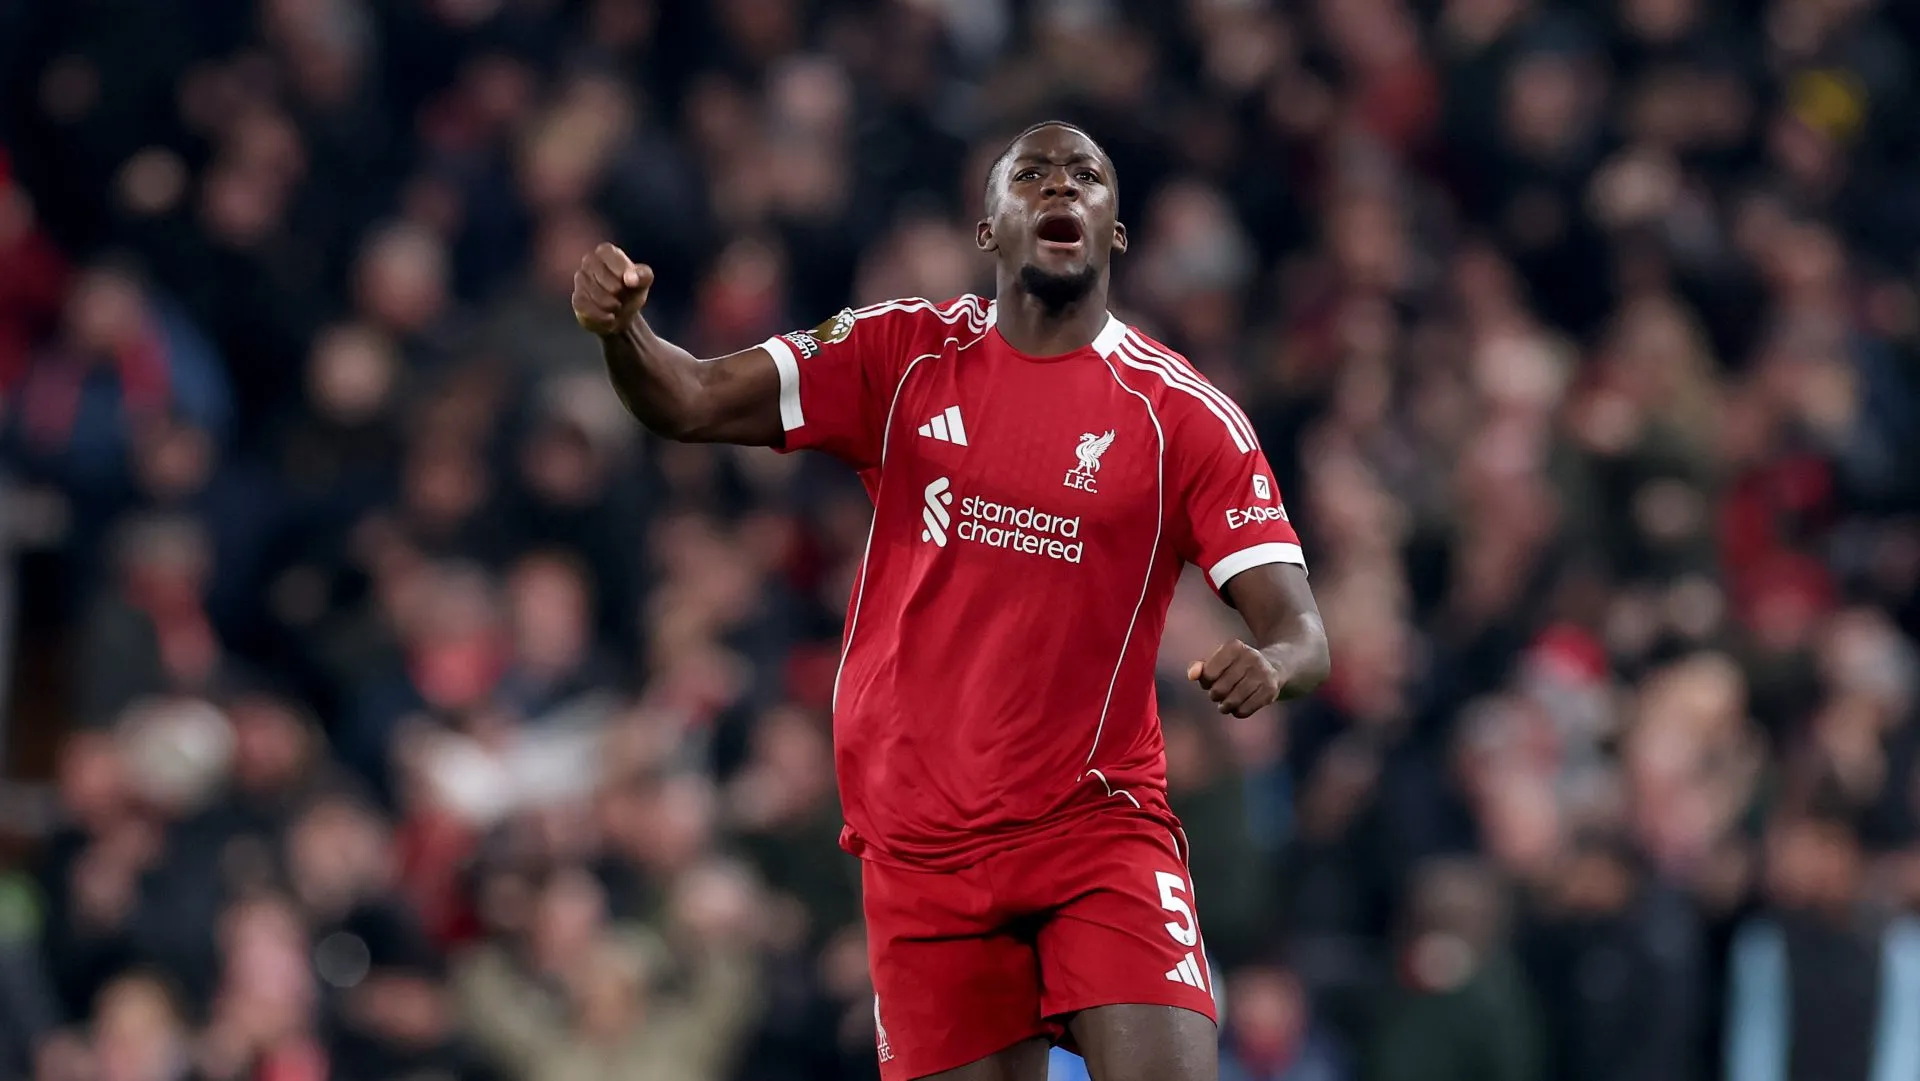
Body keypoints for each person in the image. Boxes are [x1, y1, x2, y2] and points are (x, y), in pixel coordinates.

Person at [569, 121, 1331, 1081]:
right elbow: (689, 398)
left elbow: (1303, 630)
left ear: (1115, 229)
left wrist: (1270, 663)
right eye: (1032, 174)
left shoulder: (1182, 415)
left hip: (1095, 829)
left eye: (1086, 175)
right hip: (921, 848)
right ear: (988, 227)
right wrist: (624, 334)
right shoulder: (901, 353)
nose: (1060, 187)